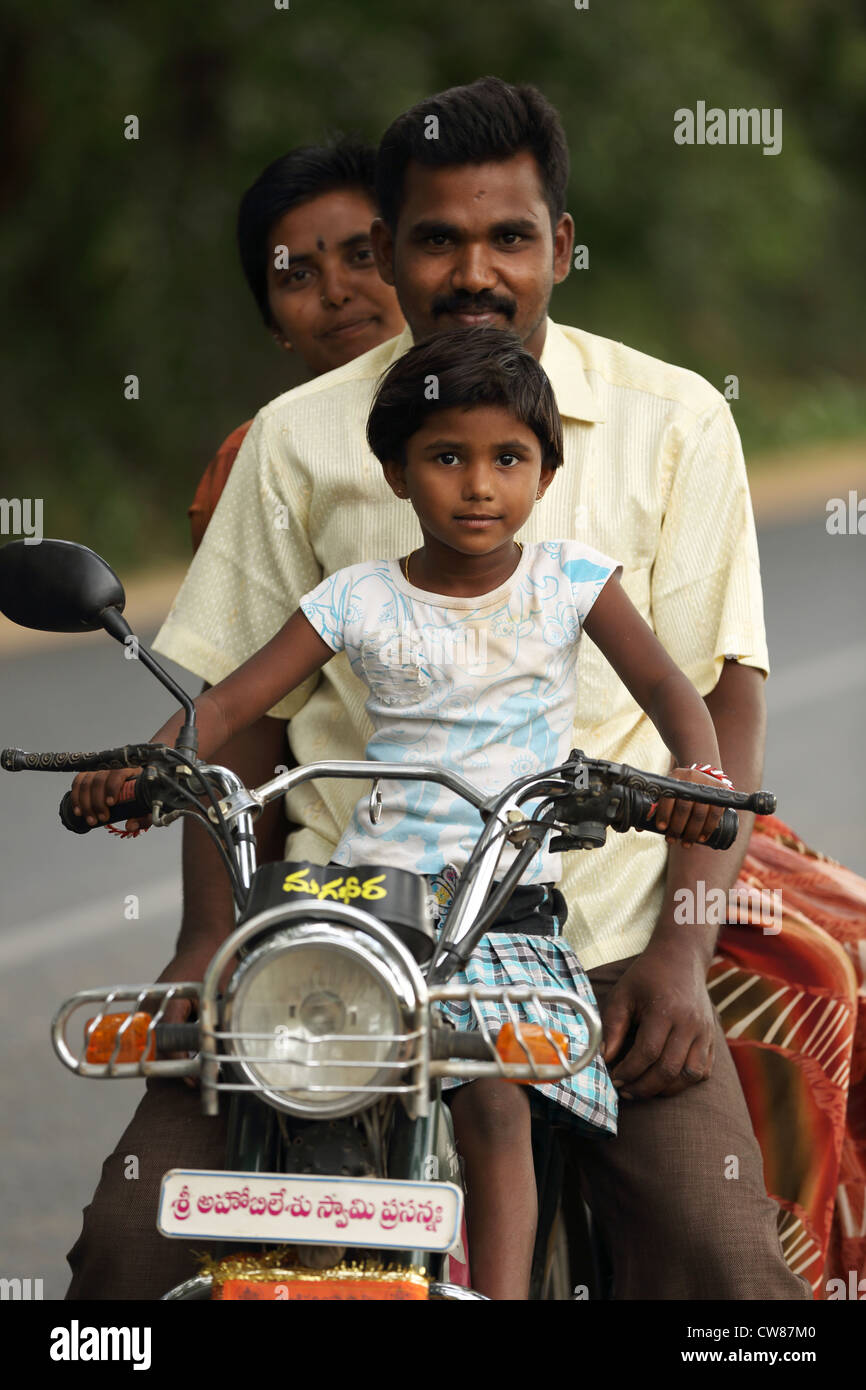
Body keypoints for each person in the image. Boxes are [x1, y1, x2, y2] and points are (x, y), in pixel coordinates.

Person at [66, 76, 811, 1301]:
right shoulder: (295, 442)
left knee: (725, 1274)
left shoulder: (674, 422)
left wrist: (678, 953)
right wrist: (208, 940)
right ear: (391, 253)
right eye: (435, 239)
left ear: (560, 248)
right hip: (328, 945)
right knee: (125, 1264)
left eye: (509, 236)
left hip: (598, 946)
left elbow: (716, 702)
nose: (475, 270)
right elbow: (236, 723)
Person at [189, 139, 406, 551]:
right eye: (298, 277)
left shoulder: (527, 407)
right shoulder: (253, 463)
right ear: (274, 324)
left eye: (361, 256)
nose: (336, 293)